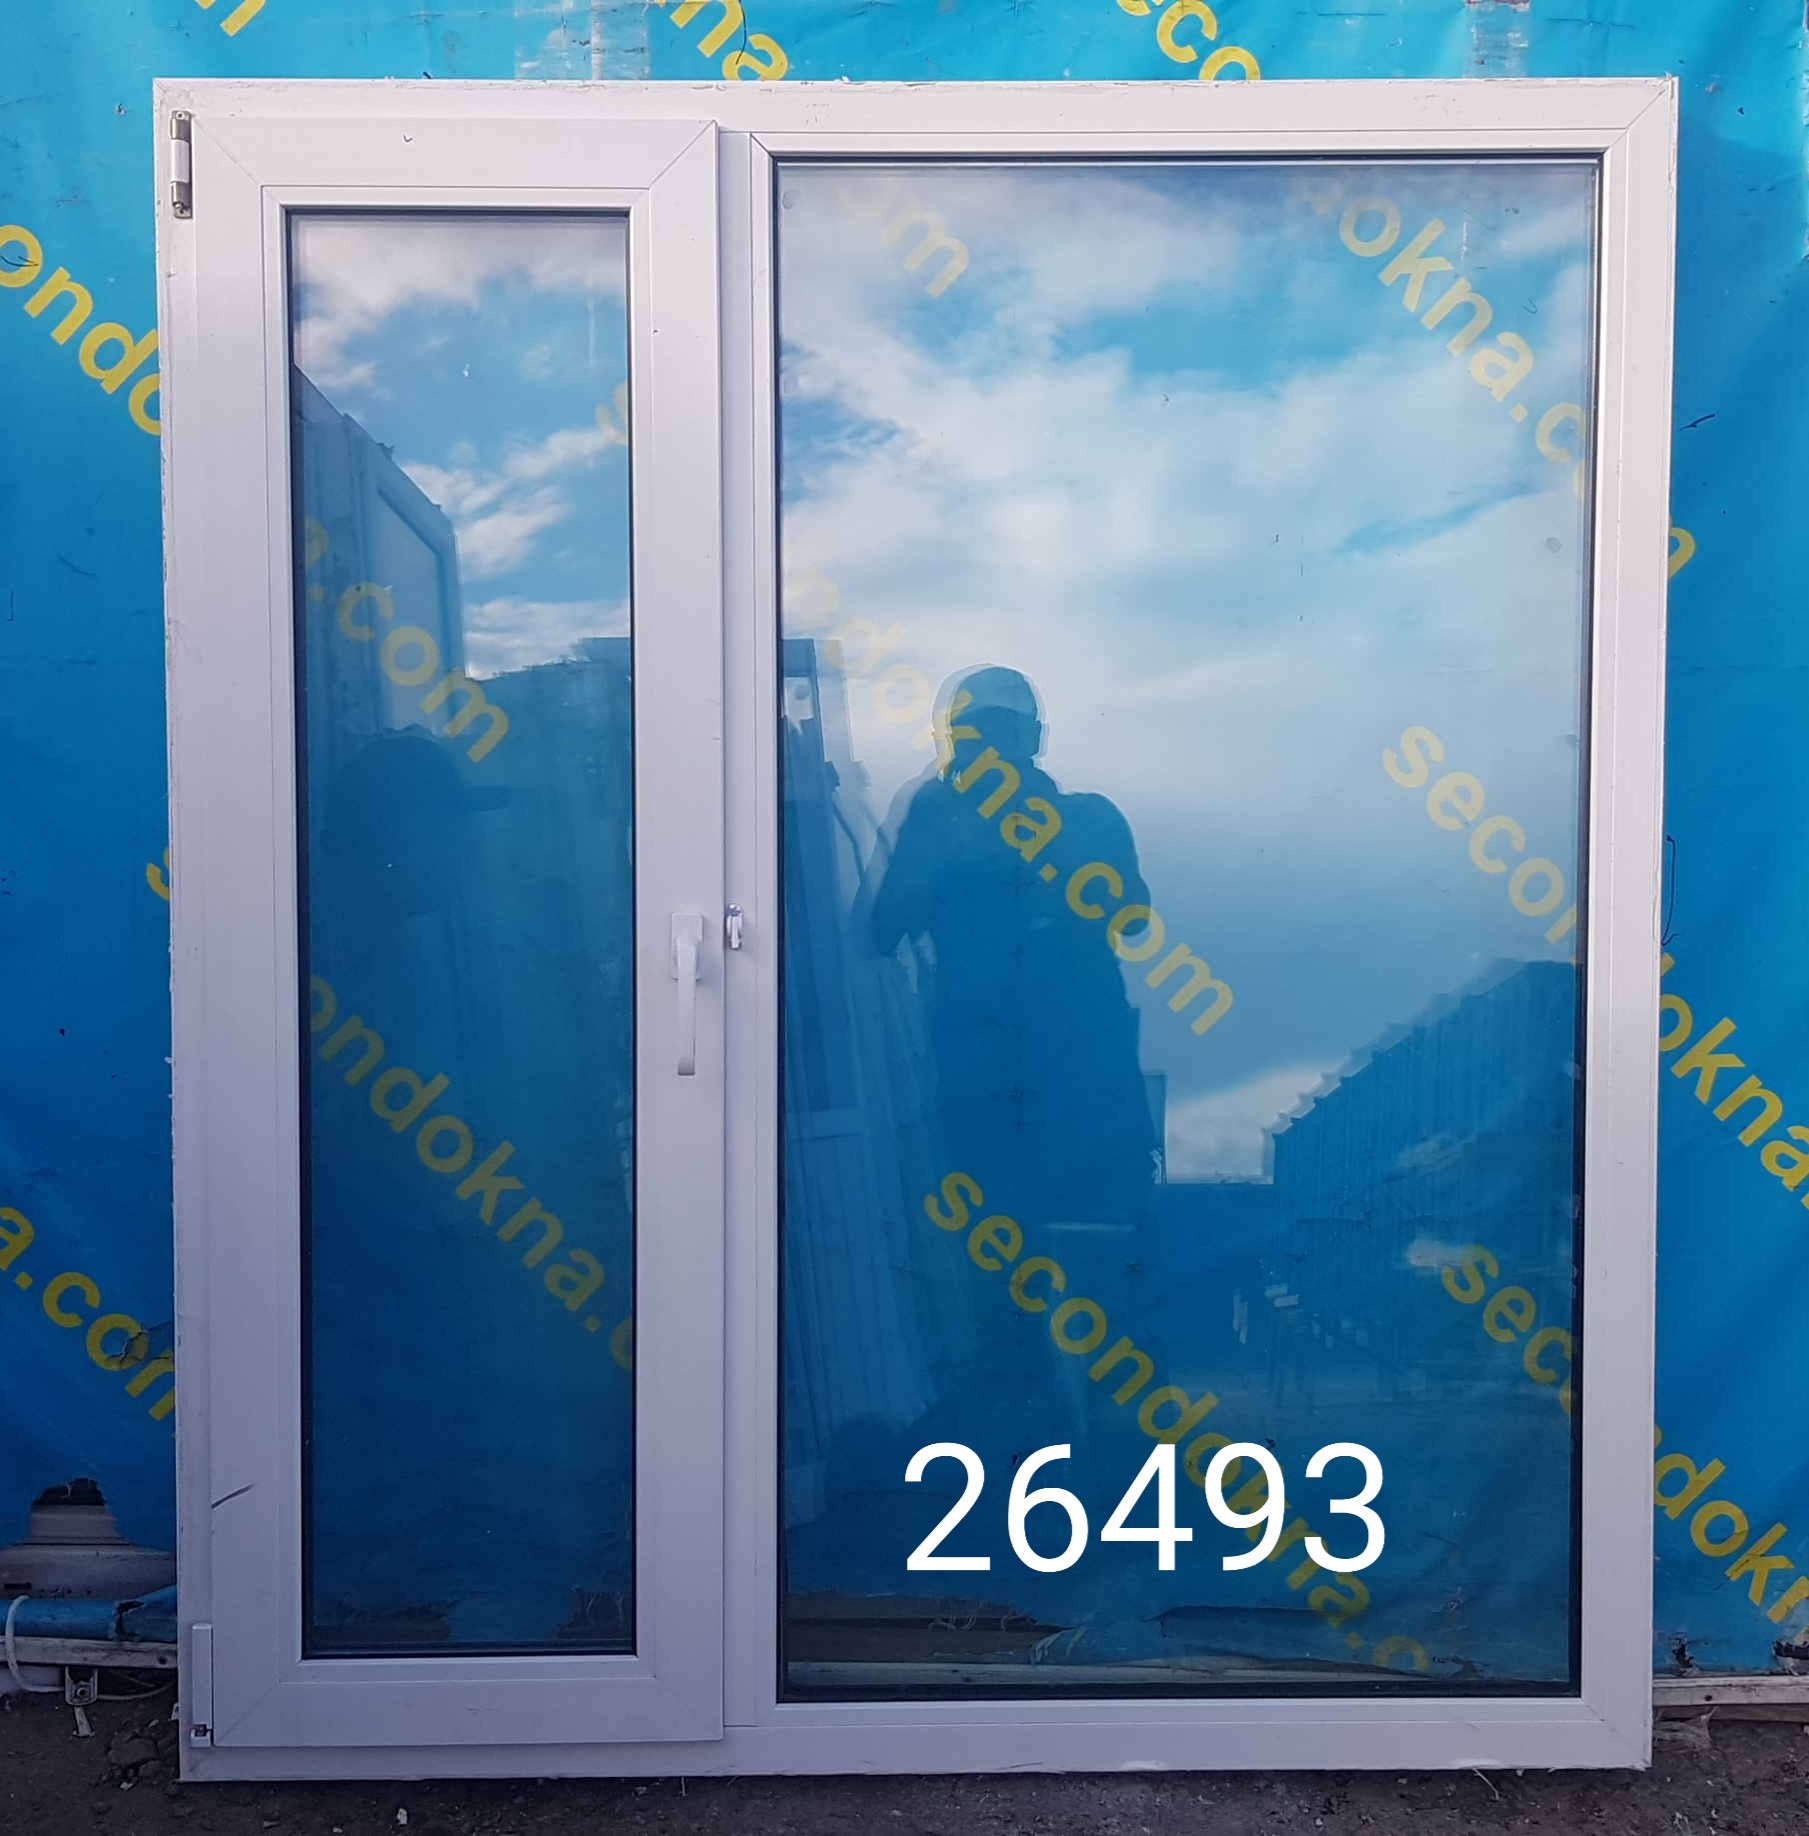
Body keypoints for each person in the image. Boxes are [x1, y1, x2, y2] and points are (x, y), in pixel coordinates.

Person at [861, 665, 1158, 1233]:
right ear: (1035, 738)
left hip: (1008, 1097)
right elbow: (1134, 917)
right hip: (1075, 1101)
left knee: (1006, 1248)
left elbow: (883, 928)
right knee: (1087, 1246)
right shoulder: (1088, 820)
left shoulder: (945, 819)